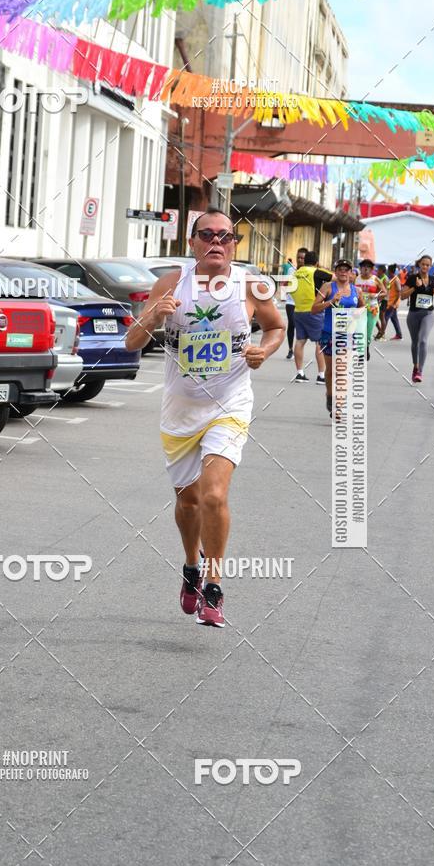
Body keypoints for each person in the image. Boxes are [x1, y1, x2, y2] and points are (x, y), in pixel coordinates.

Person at [125, 206, 285, 627]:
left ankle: (214, 584)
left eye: (225, 236)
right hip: (180, 411)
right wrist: (154, 318)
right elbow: (130, 342)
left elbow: (277, 328)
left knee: (214, 495)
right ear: (192, 242)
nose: (217, 241)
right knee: (189, 501)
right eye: (208, 234)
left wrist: (262, 352)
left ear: (234, 245)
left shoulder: (252, 286)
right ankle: (190, 567)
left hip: (229, 405)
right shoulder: (171, 283)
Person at [312, 259, 364, 417]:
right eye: (340, 269)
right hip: (328, 334)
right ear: (336, 272)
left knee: (341, 370)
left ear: (351, 273)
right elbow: (314, 308)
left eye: (346, 269)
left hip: (347, 335)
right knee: (330, 371)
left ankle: (338, 406)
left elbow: (362, 308)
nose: (343, 272)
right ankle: (329, 395)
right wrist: (331, 302)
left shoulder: (357, 291)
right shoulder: (328, 287)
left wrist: (360, 314)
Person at [292, 250, 330, 383]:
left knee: (300, 341)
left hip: (298, 311)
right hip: (314, 311)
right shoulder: (316, 272)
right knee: (320, 343)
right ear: (316, 262)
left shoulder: (295, 273)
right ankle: (321, 375)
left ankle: (299, 373)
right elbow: (335, 278)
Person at [401, 254, 434, 382]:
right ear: (419, 264)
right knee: (415, 343)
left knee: (423, 340)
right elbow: (402, 296)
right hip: (413, 314)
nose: (425, 266)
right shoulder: (412, 278)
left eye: (428, 265)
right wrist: (415, 287)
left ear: (430, 266)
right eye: (423, 264)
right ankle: (415, 366)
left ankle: (420, 372)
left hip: (428, 314)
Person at [282, 247, 307, 361]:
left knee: (299, 326)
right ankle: (290, 349)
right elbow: (284, 283)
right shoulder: (291, 270)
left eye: (302, 258)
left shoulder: (308, 271)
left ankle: (298, 349)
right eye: (298, 257)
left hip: (303, 303)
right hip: (291, 301)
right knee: (292, 323)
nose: (300, 260)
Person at [355, 259, 382, 359]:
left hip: (372, 308)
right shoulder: (356, 279)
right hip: (359, 308)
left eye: (368, 267)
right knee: (359, 330)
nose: (366, 268)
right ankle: (360, 351)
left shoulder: (375, 279)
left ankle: (366, 347)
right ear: (360, 268)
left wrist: (375, 295)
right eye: (364, 266)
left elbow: (384, 292)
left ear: (371, 269)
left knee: (368, 331)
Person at [380, 264, 402, 340]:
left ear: (389, 271)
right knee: (394, 319)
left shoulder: (396, 279)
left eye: (387, 270)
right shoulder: (391, 278)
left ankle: (381, 334)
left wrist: (393, 303)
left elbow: (399, 292)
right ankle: (399, 335)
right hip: (390, 302)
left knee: (385, 317)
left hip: (393, 303)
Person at [374, 264, 389, 340]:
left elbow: (385, 292)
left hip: (383, 300)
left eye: (378, 270)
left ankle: (382, 333)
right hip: (377, 299)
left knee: (381, 317)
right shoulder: (379, 277)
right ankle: (380, 331)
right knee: (375, 316)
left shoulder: (385, 279)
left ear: (382, 271)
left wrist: (379, 298)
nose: (377, 271)